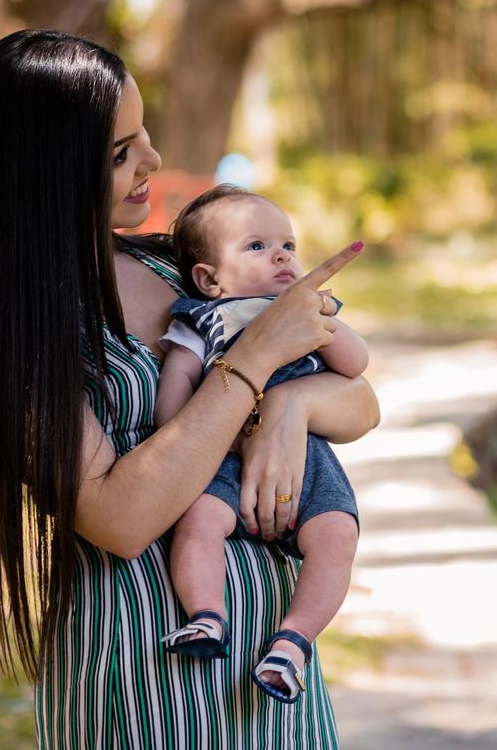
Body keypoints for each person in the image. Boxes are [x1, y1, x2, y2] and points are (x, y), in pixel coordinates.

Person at [0, 29, 379, 748]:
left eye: (144, 134)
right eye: (120, 153)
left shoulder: (178, 268)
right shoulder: (19, 334)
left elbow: (360, 401)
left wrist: (292, 405)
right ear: (47, 172)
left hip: (269, 673)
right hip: (141, 675)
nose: (153, 162)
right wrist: (253, 365)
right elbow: (119, 517)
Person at [153, 184, 367, 704]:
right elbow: (175, 390)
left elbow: (355, 367)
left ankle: (293, 642)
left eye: (288, 246)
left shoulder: (310, 313)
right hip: (221, 456)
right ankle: (206, 616)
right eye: (256, 246)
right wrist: (185, 439)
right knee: (200, 523)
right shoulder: (201, 322)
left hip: (306, 460)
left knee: (337, 536)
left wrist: (320, 316)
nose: (281, 255)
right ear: (210, 279)